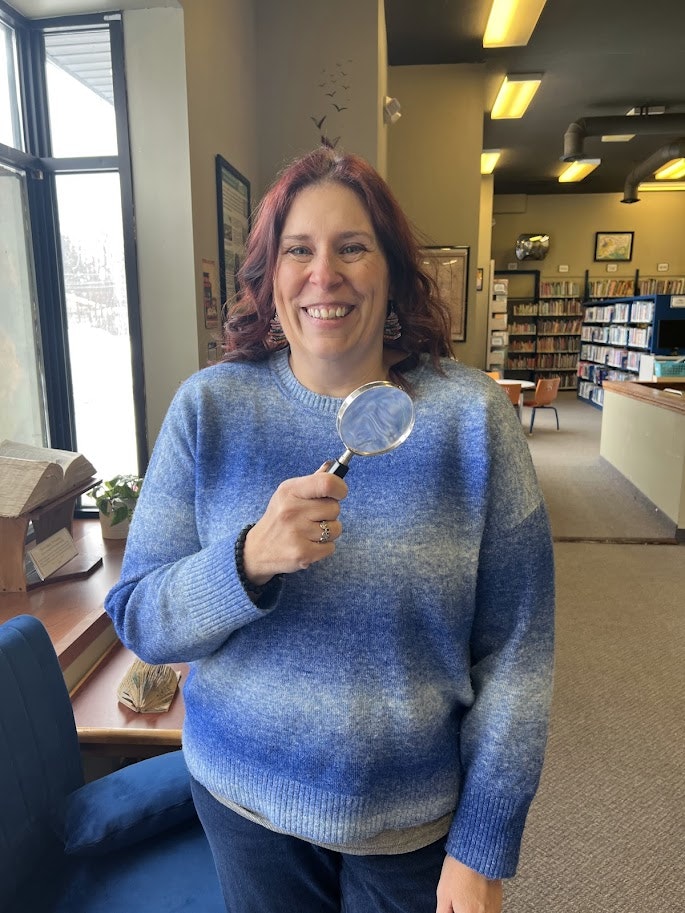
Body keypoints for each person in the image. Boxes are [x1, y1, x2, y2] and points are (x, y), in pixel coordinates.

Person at [105, 144, 554, 913]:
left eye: (352, 247)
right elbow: (141, 619)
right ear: (268, 276)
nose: (324, 274)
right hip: (242, 803)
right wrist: (247, 560)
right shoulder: (208, 409)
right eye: (297, 250)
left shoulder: (472, 418)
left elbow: (518, 653)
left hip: (411, 823)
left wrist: (483, 842)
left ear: (393, 270)